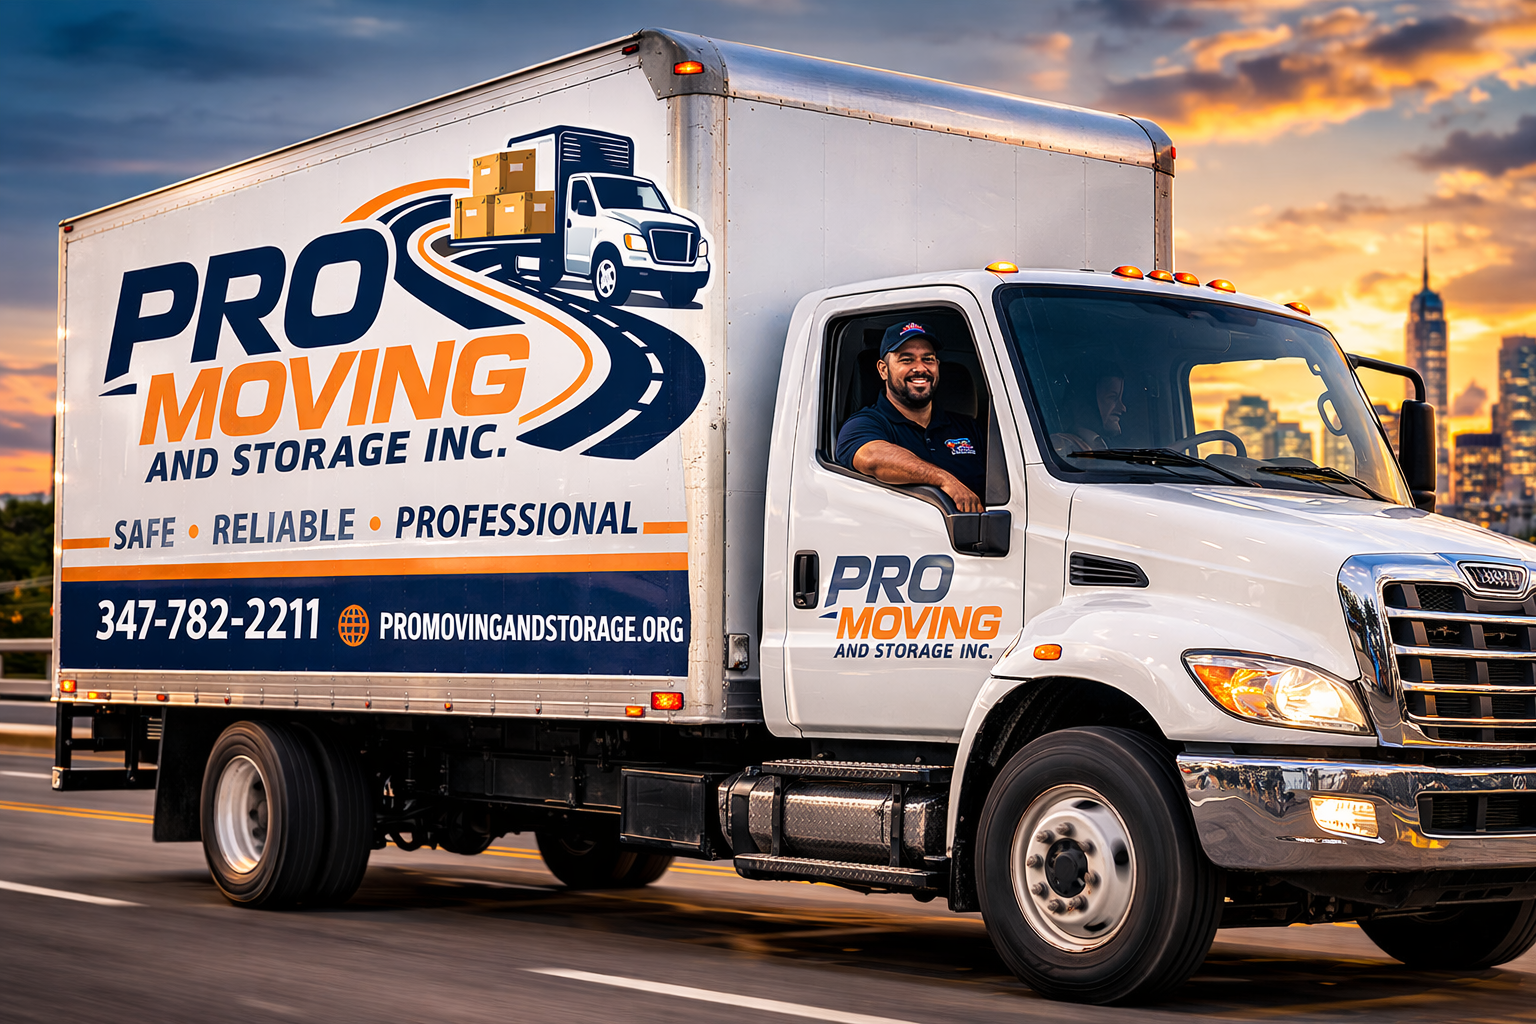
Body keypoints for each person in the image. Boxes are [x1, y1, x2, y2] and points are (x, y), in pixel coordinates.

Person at [835, 321, 985, 513]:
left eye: (928, 359)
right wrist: (943, 479)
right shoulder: (864, 424)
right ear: (883, 369)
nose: (920, 368)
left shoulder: (970, 428)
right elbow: (872, 457)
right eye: (907, 360)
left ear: (937, 366)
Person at [1050, 372, 1126, 455]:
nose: (1123, 408)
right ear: (1079, 404)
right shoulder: (1061, 449)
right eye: (1112, 397)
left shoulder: (1113, 445)